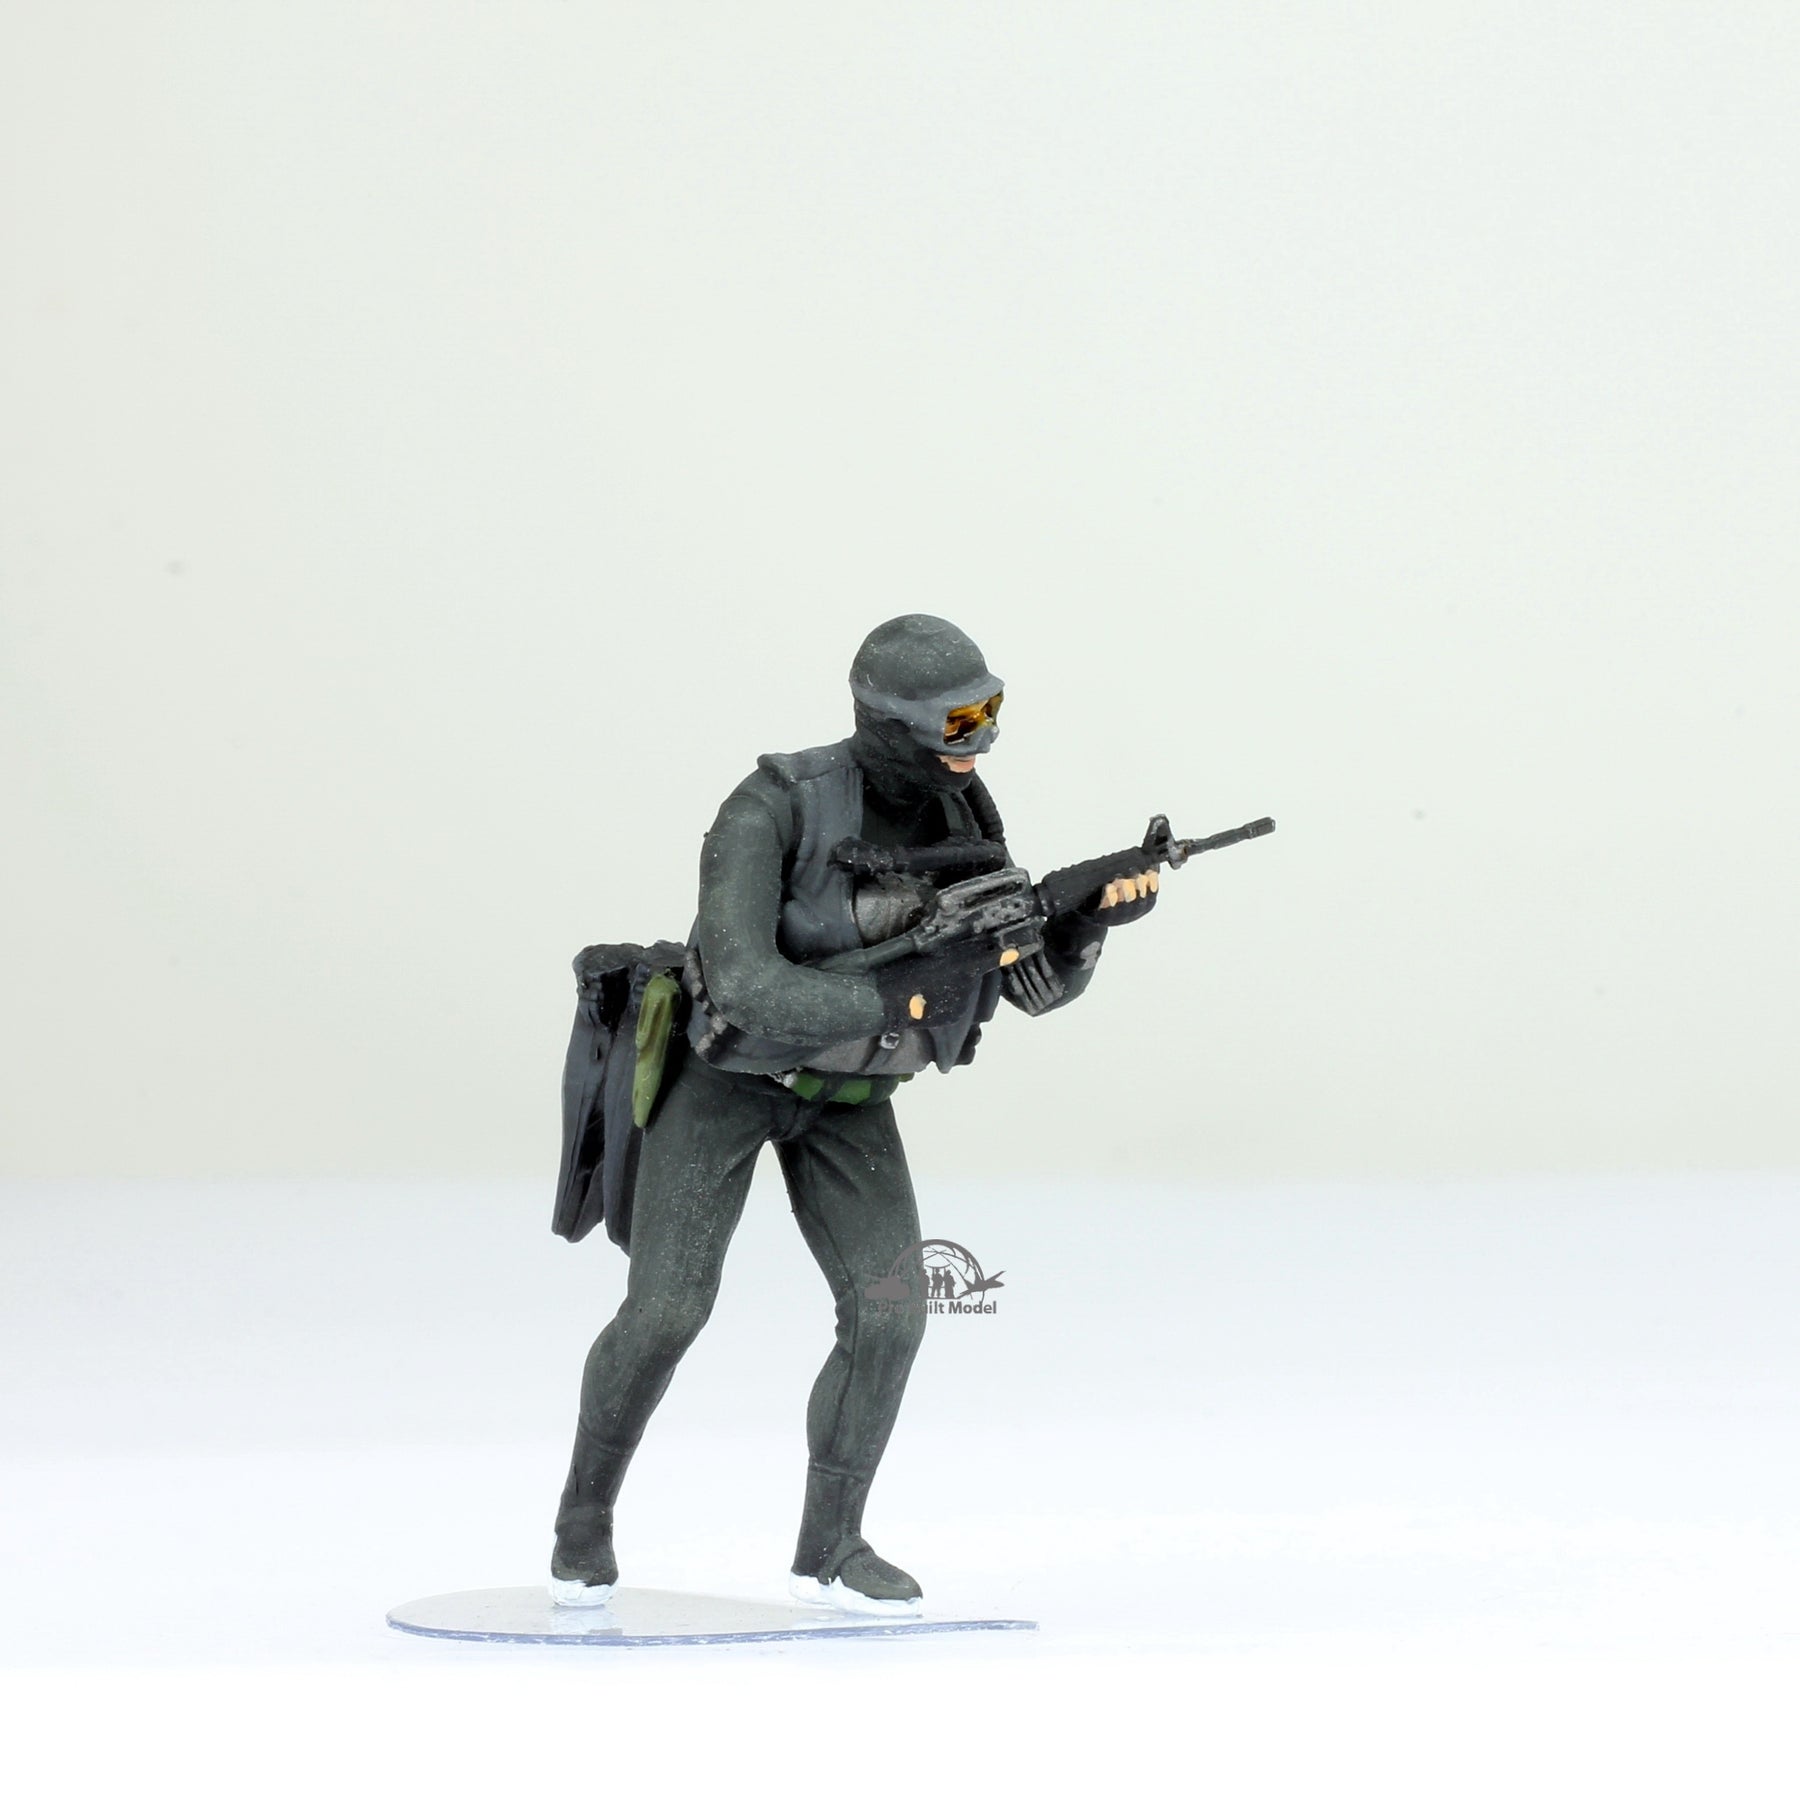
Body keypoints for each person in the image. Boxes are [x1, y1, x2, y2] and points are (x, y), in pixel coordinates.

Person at [550, 614, 1158, 1615]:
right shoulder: (772, 807)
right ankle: (582, 1520)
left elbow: (1030, 988)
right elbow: (745, 987)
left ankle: (832, 1548)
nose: (977, 743)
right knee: (667, 1311)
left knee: (892, 1315)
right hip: (726, 1080)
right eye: (956, 722)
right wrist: (907, 992)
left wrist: (1086, 926)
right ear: (885, 719)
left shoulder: (967, 818)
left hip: (853, 1101)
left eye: (989, 714)